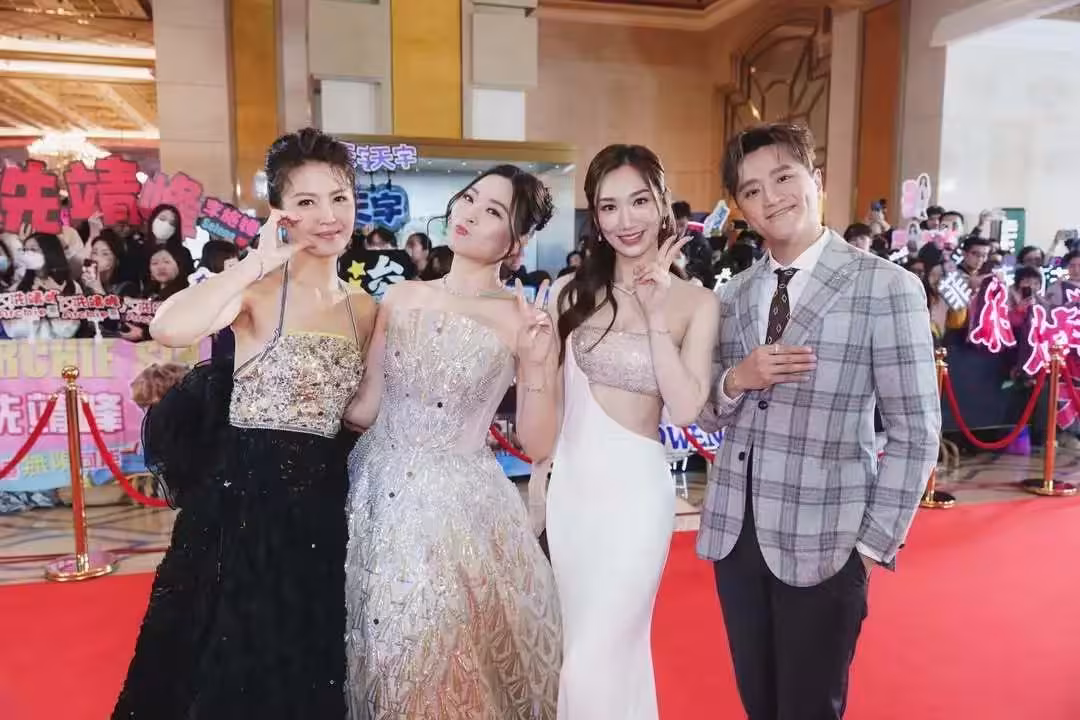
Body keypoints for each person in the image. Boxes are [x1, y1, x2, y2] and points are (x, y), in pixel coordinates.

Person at [112, 127, 376, 720]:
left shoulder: (365, 309)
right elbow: (169, 327)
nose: (328, 216)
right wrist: (254, 263)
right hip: (242, 503)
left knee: (303, 657)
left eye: (339, 198)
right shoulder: (257, 292)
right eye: (306, 202)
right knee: (224, 656)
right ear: (280, 213)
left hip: (322, 505)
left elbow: (364, 410)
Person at [696, 122, 940, 720]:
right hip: (736, 537)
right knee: (758, 702)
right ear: (740, 207)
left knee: (809, 707)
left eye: (784, 177)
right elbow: (705, 411)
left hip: (830, 539)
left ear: (817, 180)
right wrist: (736, 380)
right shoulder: (731, 296)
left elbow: (915, 431)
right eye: (752, 190)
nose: (771, 198)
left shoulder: (886, 287)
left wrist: (870, 545)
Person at [342, 164, 561, 719]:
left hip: (458, 511)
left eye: (493, 211)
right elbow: (365, 407)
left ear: (516, 242)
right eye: (469, 198)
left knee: (442, 659)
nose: (470, 213)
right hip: (374, 493)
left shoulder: (523, 319)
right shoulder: (402, 296)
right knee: (377, 652)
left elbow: (538, 443)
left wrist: (537, 363)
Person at [545, 144, 718, 720]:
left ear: (662, 204)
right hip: (572, 495)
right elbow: (554, 405)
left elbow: (687, 407)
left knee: (588, 664)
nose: (626, 220)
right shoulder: (569, 293)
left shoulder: (697, 303)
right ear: (595, 218)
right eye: (609, 206)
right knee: (598, 652)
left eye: (639, 201)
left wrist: (654, 314)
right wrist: (540, 482)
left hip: (637, 498)